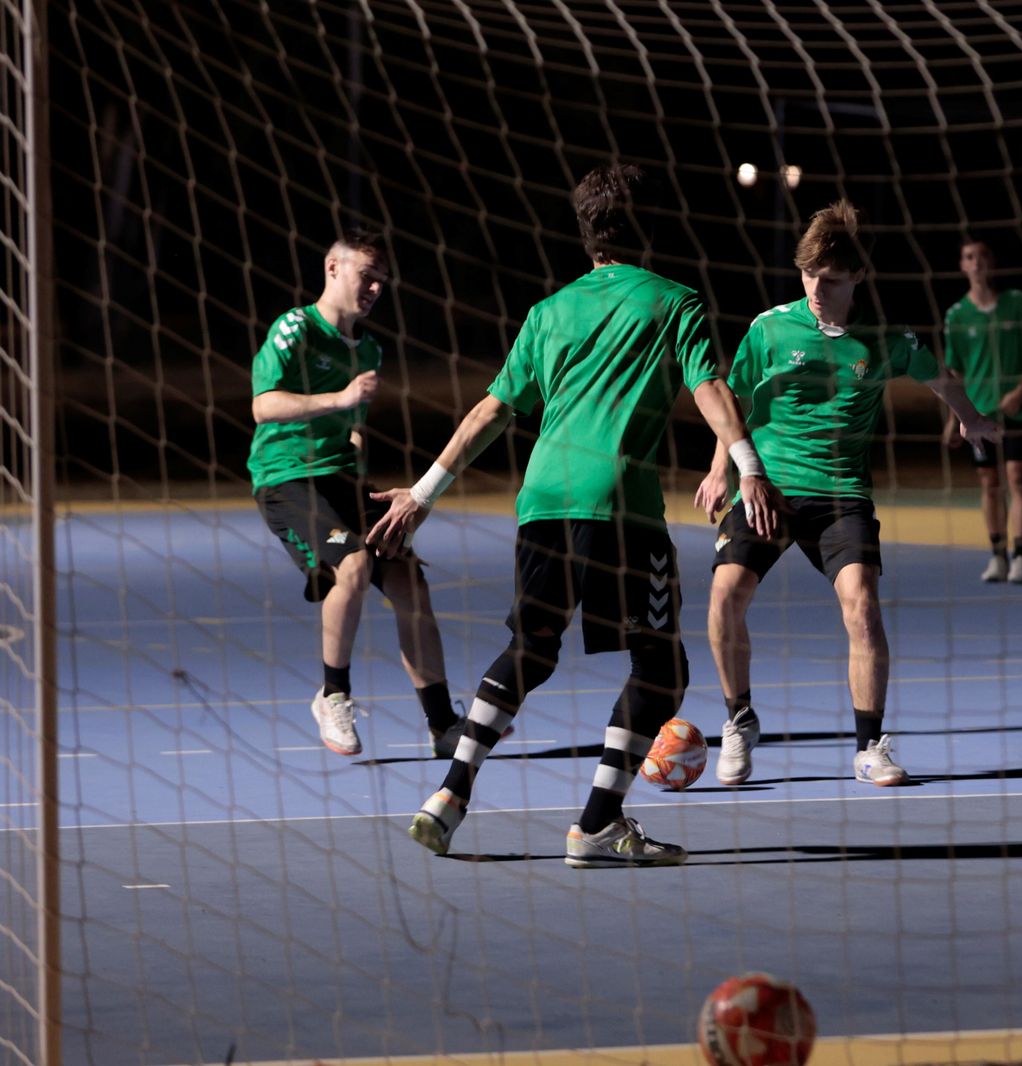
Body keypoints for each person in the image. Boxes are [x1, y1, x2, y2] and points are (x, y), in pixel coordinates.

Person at [369, 165, 781, 865]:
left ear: (586, 236)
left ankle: (449, 793)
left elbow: (491, 410)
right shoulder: (674, 301)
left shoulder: (548, 312)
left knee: (531, 646)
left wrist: (422, 491)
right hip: (621, 508)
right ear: (647, 229)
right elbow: (709, 386)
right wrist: (750, 469)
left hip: (542, 503)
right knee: (661, 668)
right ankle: (596, 823)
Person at [695, 201, 998, 788]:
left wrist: (971, 419)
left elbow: (940, 377)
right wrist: (721, 471)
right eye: (808, 274)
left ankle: (869, 747)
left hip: (841, 494)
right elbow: (731, 402)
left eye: (830, 279)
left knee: (862, 607)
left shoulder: (883, 340)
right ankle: (738, 722)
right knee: (724, 596)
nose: (815, 287)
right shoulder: (769, 328)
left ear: (858, 276)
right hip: (770, 489)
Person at [249, 228, 464, 759]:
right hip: (286, 477)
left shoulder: (369, 348)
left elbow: (354, 428)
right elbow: (264, 405)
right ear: (333, 268)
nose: (373, 290)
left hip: (342, 479)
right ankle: (333, 695)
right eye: (366, 277)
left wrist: (366, 485)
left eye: (381, 282)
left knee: (410, 580)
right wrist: (337, 397)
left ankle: (443, 724)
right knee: (352, 567)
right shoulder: (295, 328)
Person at [941, 239, 1022, 584]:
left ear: (993, 262)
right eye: (969, 257)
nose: (977, 262)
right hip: (978, 413)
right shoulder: (957, 315)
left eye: (983, 255)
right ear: (962, 265)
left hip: (1018, 409)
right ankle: (997, 555)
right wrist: (954, 417)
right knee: (989, 482)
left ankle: (1021, 556)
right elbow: (955, 371)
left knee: (1017, 477)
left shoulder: (1018, 304)